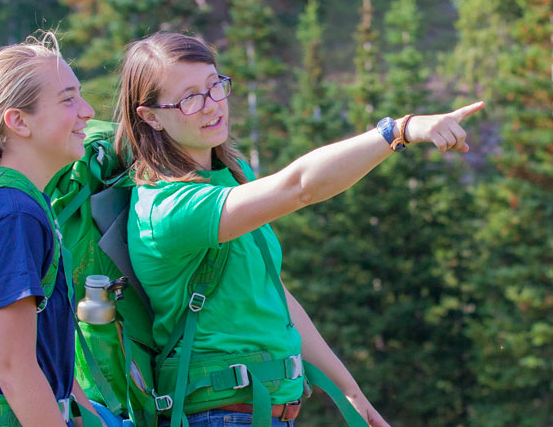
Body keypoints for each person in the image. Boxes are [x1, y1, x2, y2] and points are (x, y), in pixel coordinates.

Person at [113, 32, 481, 427]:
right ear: (150, 116)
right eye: (189, 98)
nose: (212, 105)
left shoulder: (229, 181)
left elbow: (274, 298)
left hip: (264, 414)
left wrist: (350, 392)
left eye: (215, 85)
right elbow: (300, 187)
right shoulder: (169, 209)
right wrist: (398, 131)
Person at [0, 32, 103, 427]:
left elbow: (42, 350)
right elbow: (15, 369)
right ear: (18, 121)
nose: (86, 111)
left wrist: (84, 411)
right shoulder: (13, 212)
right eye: (68, 99)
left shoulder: (8, 200)